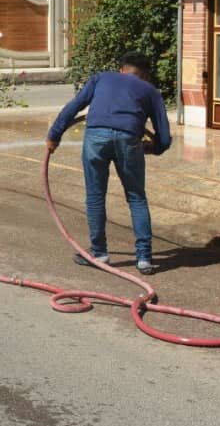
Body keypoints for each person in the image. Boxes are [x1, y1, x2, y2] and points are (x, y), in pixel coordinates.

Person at [45, 51, 171, 275]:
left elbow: (74, 106)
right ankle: (144, 259)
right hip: (129, 138)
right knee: (136, 198)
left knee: (95, 196)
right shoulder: (150, 91)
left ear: (122, 69)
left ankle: (99, 253)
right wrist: (153, 148)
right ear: (146, 75)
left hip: (96, 137)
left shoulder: (101, 78)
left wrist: (54, 135)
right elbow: (164, 136)